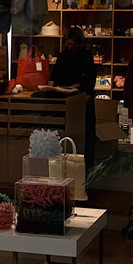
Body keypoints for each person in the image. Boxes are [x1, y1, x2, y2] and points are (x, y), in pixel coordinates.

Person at [49, 26, 96, 166]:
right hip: (64, 98)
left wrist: (76, 86)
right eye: (67, 44)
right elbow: (55, 75)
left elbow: (90, 80)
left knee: (84, 134)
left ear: (79, 43)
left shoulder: (86, 56)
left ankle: (84, 165)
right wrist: (52, 83)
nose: (69, 47)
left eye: (73, 44)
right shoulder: (63, 56)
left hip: (81, 99)